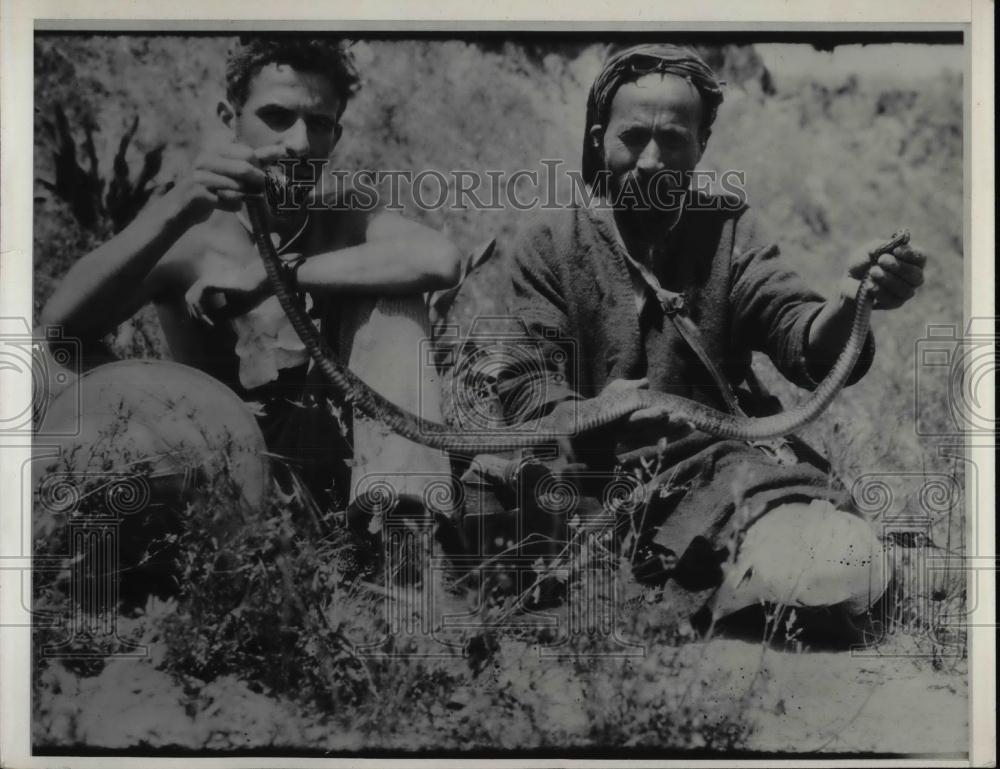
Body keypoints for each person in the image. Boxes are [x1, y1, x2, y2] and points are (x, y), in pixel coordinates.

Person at [481, 44, 927, 640]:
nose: (649, 161)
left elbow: (799, 335)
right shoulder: (548, 242)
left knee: (833, 565)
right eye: (633, 136)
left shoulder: (727, 229)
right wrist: (594, 410)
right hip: (590, 481)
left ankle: (758, 576)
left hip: (718, 475)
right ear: (597, 139)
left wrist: (851, 302)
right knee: (497, 536)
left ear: (701, 146)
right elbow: (524, 388)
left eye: (673, 140)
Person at [39, 35, 462, 512]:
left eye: (319, 125)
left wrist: (279, 273)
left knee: (399, 299)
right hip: (220, 481)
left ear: (335, 138)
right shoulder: (192, 234)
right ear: (230, 120)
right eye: (277, 117)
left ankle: (407, 532)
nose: (300, 144)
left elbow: (440, 259)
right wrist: (177, 206)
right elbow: (59, 330)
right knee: (41, 370)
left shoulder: (343, 217)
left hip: (341, 478)